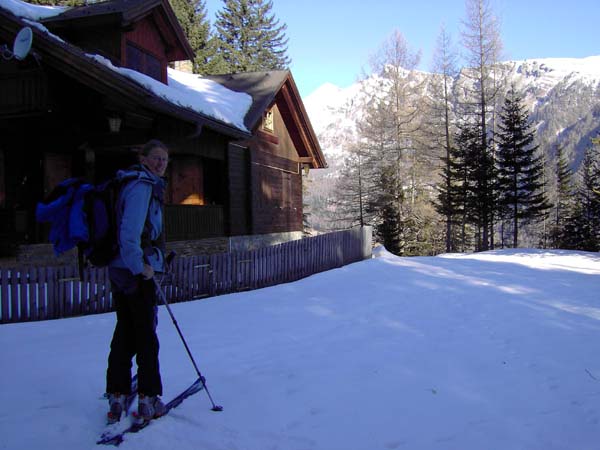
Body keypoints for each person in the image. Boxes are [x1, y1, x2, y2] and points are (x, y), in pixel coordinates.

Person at [105, 139, 170, 424]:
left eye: (164, 160)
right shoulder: (142, 186)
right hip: (135, 270)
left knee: (126, 331)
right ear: (143, 159)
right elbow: (129, 233)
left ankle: (117, 393)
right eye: (155, 158)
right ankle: (148, 398)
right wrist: (140, 267)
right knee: (145, 335)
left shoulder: (127, 182)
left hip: (119, 269)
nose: (160, 164)